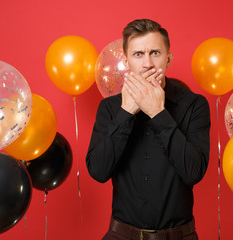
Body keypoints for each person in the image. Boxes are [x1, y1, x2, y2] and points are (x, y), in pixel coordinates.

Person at [86, 19, 210, 240]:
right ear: (126, 62)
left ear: (168, 59)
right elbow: (98, 171)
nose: (147, 64)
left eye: (155, 53)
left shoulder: (194, 105)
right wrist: (126, 113)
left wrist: (158, 113)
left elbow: (194, 172)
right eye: (138, 54)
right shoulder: (110, 108)